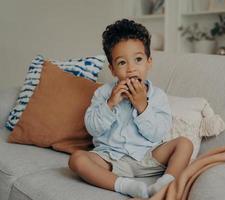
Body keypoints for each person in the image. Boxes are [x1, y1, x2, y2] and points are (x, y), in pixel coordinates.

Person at [68, 18, 193, 199]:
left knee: (184, 144)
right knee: (77, 160)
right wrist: (110, 103)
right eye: (122, 63)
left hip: (148, 157)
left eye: (138, 59)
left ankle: (165, 183)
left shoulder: (158, 96)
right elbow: (93, 129)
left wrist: (142, 105)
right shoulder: (103, 94)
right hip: (111, 159)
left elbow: (157, 134)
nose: (131, 68)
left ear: (149, 62)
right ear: (112, 69)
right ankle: (128, 186)